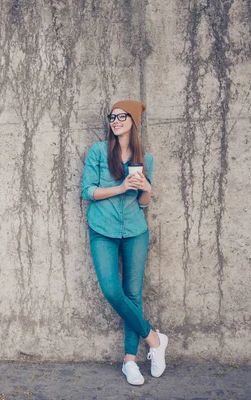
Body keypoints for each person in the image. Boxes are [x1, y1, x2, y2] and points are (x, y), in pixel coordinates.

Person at [81, 100, 168, 385]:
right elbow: (87, 191)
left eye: (121, 116)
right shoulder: (98, 151)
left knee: (133, 294)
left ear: (133, 120)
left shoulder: (147, 159)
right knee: (111, 290)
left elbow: (143, 204)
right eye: (112, 116)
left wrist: (146, 189)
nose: (115, 121)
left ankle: (130, 360)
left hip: (135, 231)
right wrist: (120, 187)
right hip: (101, 229)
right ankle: (154, 339)